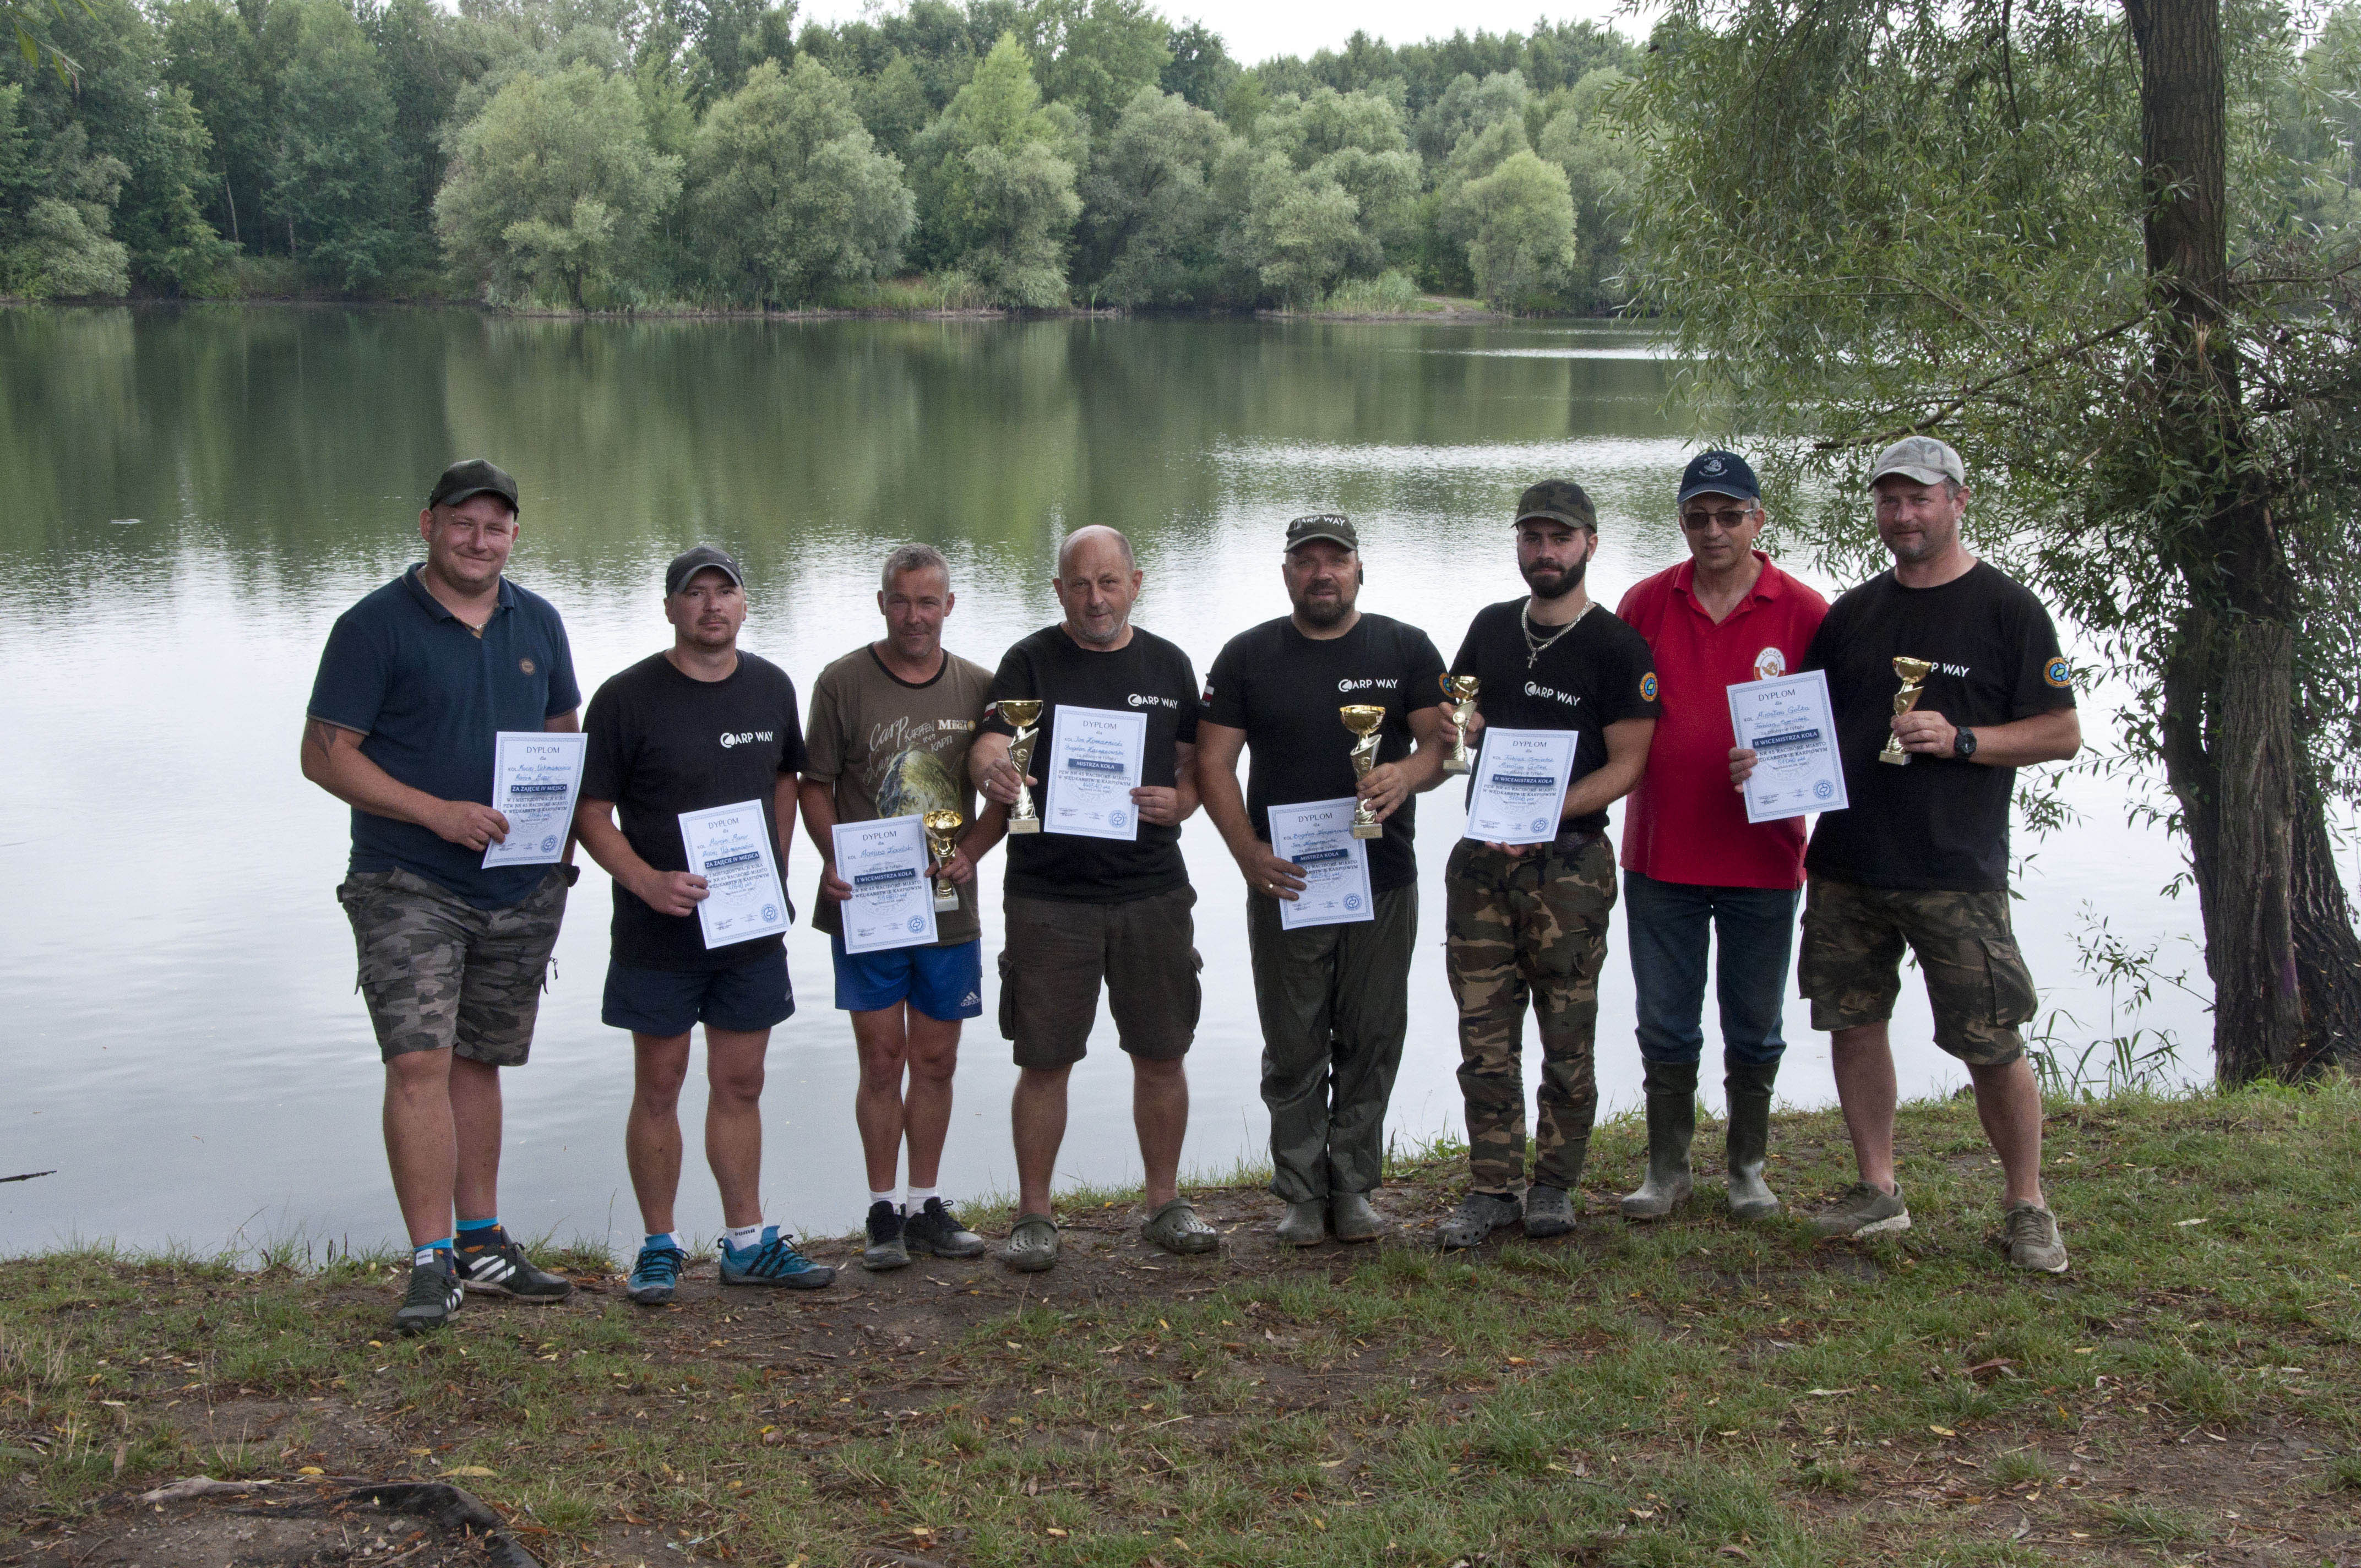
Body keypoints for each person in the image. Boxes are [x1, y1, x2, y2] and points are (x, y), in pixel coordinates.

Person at [1732, 436, 2080, 1272]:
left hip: (1954, 868)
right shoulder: (1853, 613)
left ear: (1959, 500)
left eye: (1920, 498)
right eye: (1890, 500)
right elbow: (1808, 724)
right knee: (1853, 1022)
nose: (1903, 515)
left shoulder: (2009, 611)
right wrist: (1763, 761)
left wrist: (1964, 739)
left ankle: (2027, 1205)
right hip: (1848, 863)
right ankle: (1878, 1189)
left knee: (1989, 1039)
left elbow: (2061, 733)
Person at [303, 458, 579, 1335]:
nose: (479, 541)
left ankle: (481, 1241)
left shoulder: (539, 621)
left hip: (516, 886)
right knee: (418, 1060)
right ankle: (431, 1261)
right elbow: (324, 756)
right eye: (463, 523)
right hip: (406, 880)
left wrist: (556, 849)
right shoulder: (373, 626)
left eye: (496, 527)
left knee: (477, 1061)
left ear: (514, 535)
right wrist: (437, 813)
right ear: (428, 525)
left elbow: (561, 736)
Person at [574, 545, 835, 1304]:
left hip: (748, 930)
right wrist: (646, 881)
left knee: (741, 1082)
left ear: (745, 604)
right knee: (659, 1085)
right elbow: (590, 813)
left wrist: (776, 864)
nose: (711, 605)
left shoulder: (771, 686)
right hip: (658, 931)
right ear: (670, 608)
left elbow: (786, 775)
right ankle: (659, 1246)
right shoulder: (626, 698)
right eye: (695, 594)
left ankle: (747, 1243)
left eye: (725, 591)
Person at [1196, 515, 1451, 1245]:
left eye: (1335, 560)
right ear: (1286, 574)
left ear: (1359, 569)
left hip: (1383, 877)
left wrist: (1407, 774)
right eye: (1306, 561)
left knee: (1372, 1036)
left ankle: (1354, 1187)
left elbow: (1442, 744)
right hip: (1287, 880)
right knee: (1294, 1041)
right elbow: (1213, 764)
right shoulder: (1247, 656)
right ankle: (1303, 1193)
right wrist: (1247, 853)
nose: (1321, 573)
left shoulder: (1404, 647)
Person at [969, 525, 1210, 1271]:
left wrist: (1183, 801)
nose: (1095, 598)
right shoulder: (1029, 660)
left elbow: (1195, 765)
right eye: (1080, 584)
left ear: (1135, 584)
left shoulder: (1168, 663)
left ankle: (1164, 1204)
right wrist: (993, 772)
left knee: (1162, 1053)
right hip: (1049, 895)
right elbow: (989, 742)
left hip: (1151, 891)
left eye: (1109, 582)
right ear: (1059, 590)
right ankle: (1035, 1216)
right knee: (1044, 1062)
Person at [1435, 480, 1661, 1249]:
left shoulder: (1619, 646)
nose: (1545, 552)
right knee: (1484, 1038)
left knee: (1567, 1034)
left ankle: (1555, 1186)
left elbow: (1629, 765)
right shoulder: (1490, 627)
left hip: (1569, 867)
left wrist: (1545, 814)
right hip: (1482, 864)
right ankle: (1492, 1187)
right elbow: (1462, 713)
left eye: (1560, 538)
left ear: (1590, 544)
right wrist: (1461, 724)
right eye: (1532, 538)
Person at [1613, 453, 1829, 1222]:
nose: (1714, 531)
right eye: (1699, 517)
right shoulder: (1644, 603)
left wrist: (1787, 761)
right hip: (1660, 854)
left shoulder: (1804, 610)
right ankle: (1666, 1170)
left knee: (1756, 1027)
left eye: (1730, 516)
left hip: (1763, 859)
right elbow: (1607, 712)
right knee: (1665, 1023)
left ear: (1757, 520)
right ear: (1681, 522)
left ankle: (1747, 1171)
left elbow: (1836, 732)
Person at [799, 544, 1003, 1271]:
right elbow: (814, 785)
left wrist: (971, 852)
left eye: (928, 602)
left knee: (937, 1061)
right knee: (882, 1061)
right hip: (870, 907)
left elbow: (1004, 798)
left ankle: (926, 1204)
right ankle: (882, 1210)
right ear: (881, 603)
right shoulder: (842, 683)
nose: (914, 616)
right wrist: (832, 856)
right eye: (901, 601)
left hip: (949, 908)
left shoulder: (981, 687)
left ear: (949, 606)